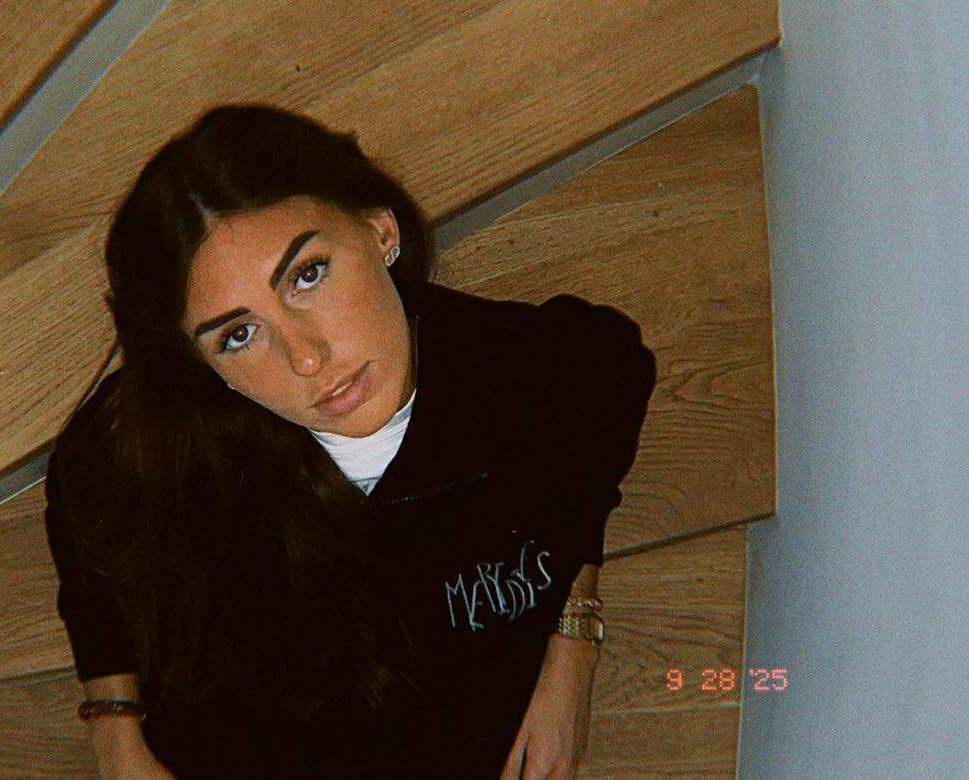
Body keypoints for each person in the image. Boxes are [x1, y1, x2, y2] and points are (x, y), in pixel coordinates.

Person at [42, 103, 657, 778]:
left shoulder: (537, 370)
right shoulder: (173, 442)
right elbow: (80, 500)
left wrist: (574, 634)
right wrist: (116, 730)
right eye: (238, 335)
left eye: (307, 274)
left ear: (378, 228)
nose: (307, 358)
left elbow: (613, 385)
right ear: (202, 363)